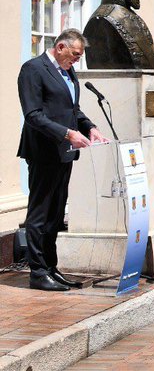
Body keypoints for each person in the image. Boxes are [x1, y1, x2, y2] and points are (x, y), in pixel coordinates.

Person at [17, 29, 108, 291]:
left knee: (56, 213)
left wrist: (89, 127)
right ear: (60, 47)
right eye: (75, 54)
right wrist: (68, 133)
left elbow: (71, 109)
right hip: (43, 151)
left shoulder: (68, 70)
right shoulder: (33, 69)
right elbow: (33, 115)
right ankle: (37, 272)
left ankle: (50, 267)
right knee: (40, 213)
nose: (78, 60)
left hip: (64, 152)